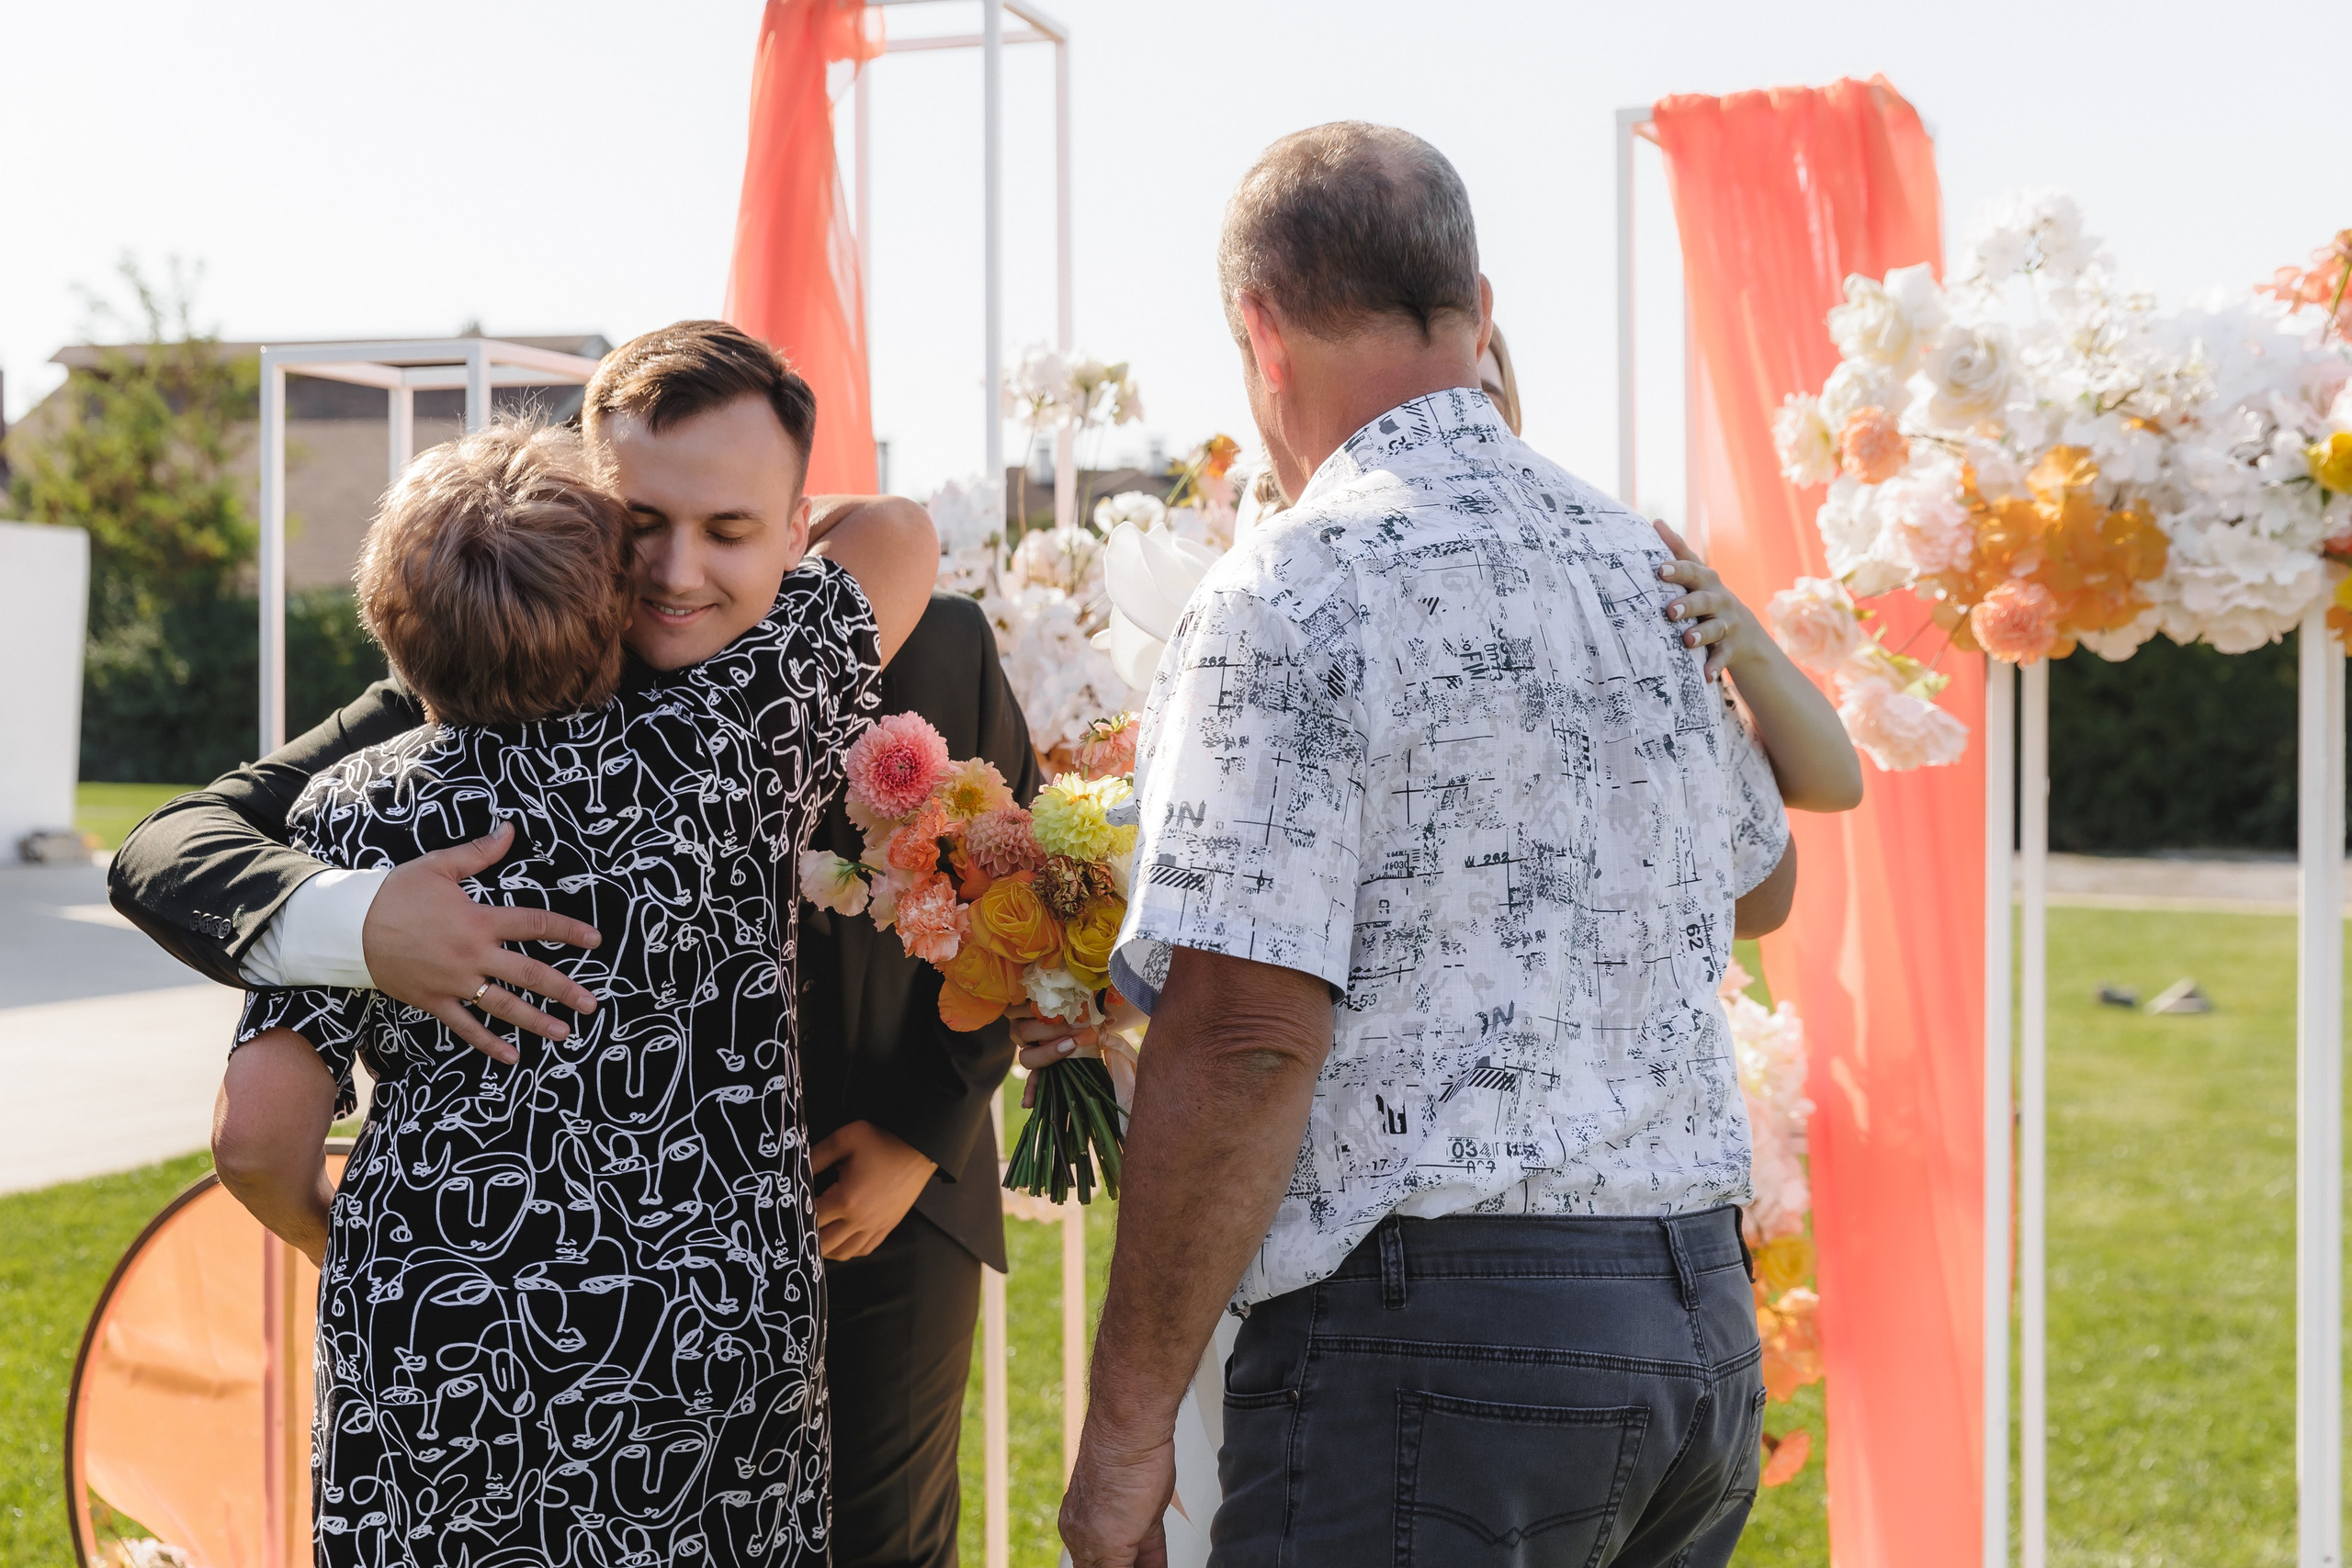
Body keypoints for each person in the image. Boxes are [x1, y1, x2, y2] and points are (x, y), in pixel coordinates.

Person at [1050, 123, 1861, 1568]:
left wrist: (1120, 1443)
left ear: (1259, 329)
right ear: (1477, 308)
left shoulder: (1293, 586)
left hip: (1433, 1352)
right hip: (1689, 1325)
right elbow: (1759, 881)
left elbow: (1245, 1035)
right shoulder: (1638, 562)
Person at [113, 321, 1008, 1567]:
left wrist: (361, 1237)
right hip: (706, 1339)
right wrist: (369, 925)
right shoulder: (734, 733)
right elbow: (170, 843)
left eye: (730, 528)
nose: (679, 568)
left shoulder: (355, 805)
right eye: (639, 524)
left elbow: (255, 1136)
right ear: (591, 522)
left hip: (440, 1342)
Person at [797, 594, 1038, 1568]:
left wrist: (916, 1135)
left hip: (896, 1208)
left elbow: (1019, 897)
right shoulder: (579, 629)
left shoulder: (938, 643)